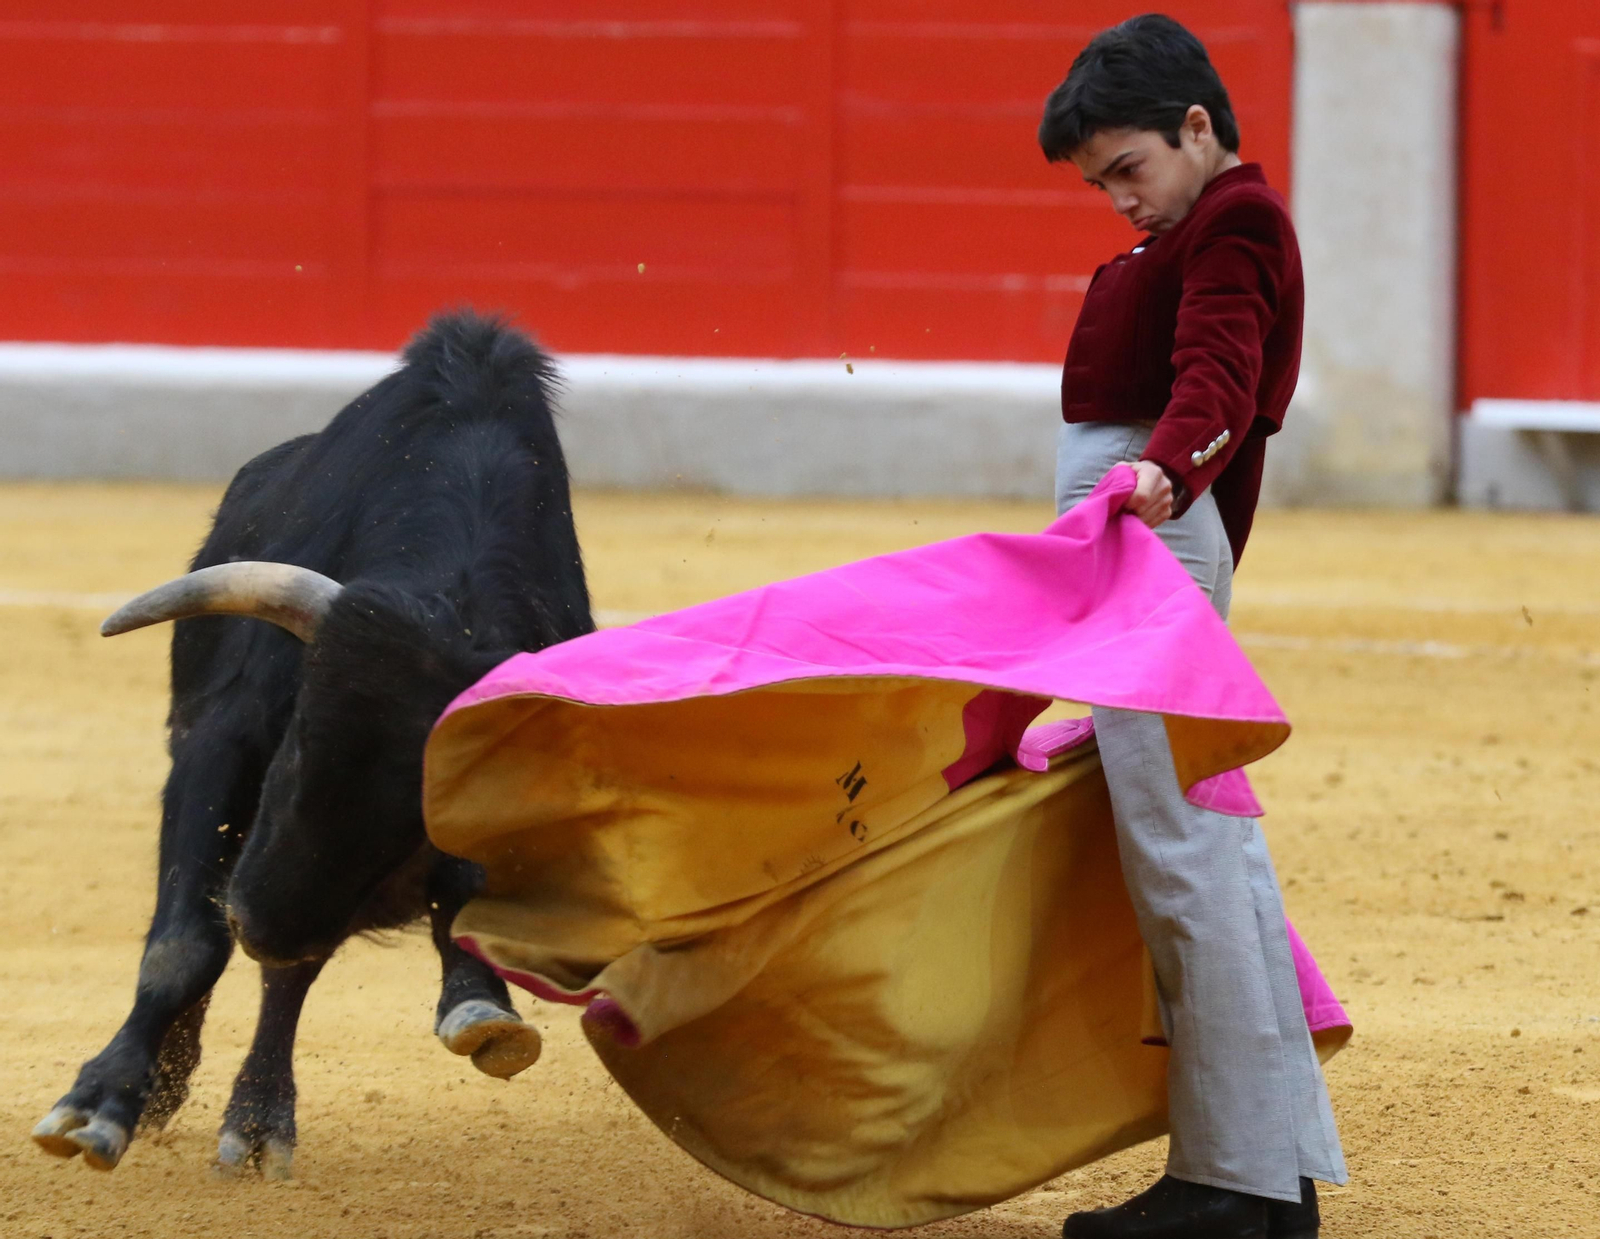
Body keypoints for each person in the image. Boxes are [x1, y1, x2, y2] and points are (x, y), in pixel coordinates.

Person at [1038, 15, 1347, 1239]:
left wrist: (1165, 471)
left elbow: (1219, 370)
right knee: (1205, 848)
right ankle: (1272, 1175)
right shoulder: (1195, 225)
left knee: (1180, 852)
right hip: (1146, 545)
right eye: (1100, 183)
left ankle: (1227, 1182)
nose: (1120, 199)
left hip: (1153, 543)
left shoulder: (1235, 221)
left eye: (1129, 168)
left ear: (1198, 127)